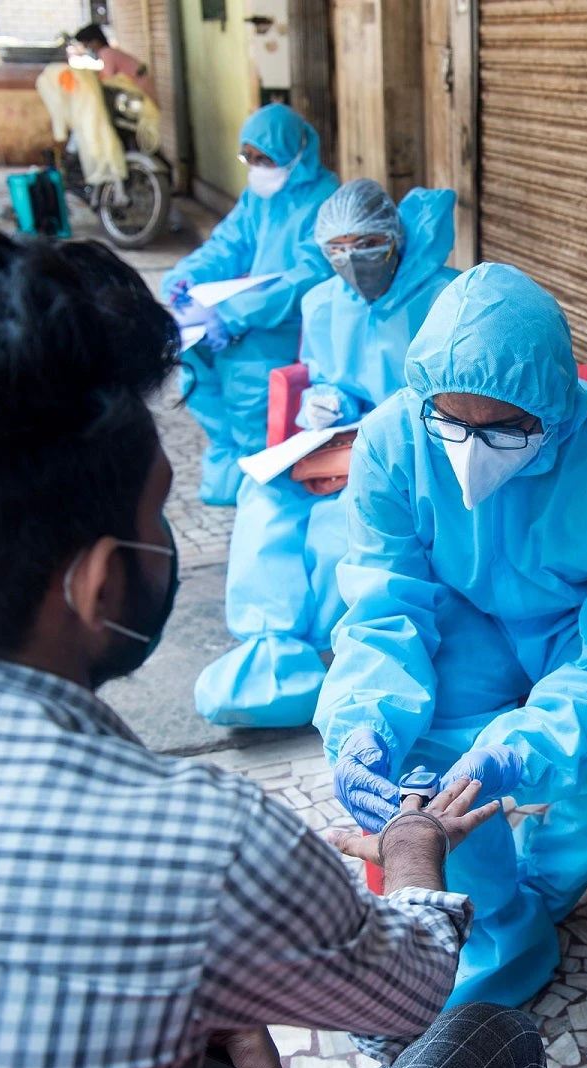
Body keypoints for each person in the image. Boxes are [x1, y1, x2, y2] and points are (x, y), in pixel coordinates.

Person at [0, 227, 546, 1068]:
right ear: (99, 584)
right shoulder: (200, 845)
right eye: (156, 513)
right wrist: (411, 848)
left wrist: (204, 1012)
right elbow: (406, 992)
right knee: (496, 1042)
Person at [317, 263, 587, 1006]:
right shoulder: (391, 439)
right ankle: (492, 918)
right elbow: (383, 603)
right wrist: (364, 720)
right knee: (418, 764)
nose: (469, 450)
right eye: (450, 424)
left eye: (502, 429)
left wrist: (519, 751)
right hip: (468, 618)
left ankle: (544, 883)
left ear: (554, 411)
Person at [195, 178, 459, 727]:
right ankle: (270, 643)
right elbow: (327, 377)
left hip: (416, 449)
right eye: (336, 250)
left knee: (339, 518)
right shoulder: (320, 303)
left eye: (366, 244)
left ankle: (323, 651)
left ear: (396, 239)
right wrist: (325, 401)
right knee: (264, 492)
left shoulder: (445, 297)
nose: (352, 261)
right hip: (342, 439)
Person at [161, 104, 338, 505]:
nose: (257, 167)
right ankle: (229, 472)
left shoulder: (325, 201)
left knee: (250, 405)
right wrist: (186, 277)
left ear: (296, 151)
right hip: (240, 319)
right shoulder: (258, 197)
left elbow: (307, 277)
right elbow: (229, 244)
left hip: (284, 330)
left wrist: (236, 313)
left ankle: (259, 491)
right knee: (192, 371)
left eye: (266, 158)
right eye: (250, 158)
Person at [71, 21, 157, 100]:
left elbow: (108, 79)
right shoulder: (108, 52)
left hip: (140, 87)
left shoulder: (106, 53)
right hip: (141, 84)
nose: (88, 50)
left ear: (95, 42)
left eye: (87, 46)